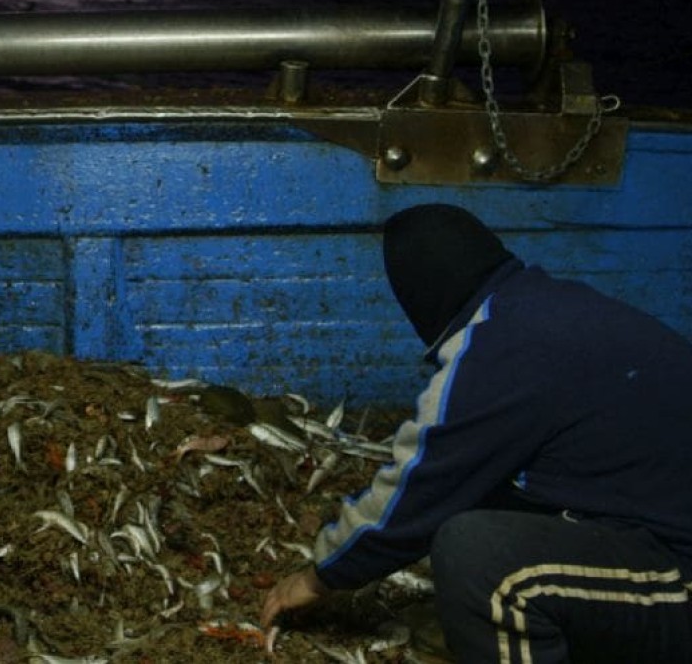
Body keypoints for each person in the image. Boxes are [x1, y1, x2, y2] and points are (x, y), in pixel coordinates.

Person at [260, 203, 692, 663]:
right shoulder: (549, 305)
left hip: (681, 574)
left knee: (476, 558)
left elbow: (415, 489)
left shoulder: (495, 351)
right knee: (488, 496)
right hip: (656, 527)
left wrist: (317, 577)